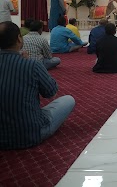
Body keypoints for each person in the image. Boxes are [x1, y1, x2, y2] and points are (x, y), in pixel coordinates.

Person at [0, 21, 75, 149]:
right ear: (19, 38)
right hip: (30, 133)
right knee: (68, 100)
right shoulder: (31, 64)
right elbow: (51, 92)